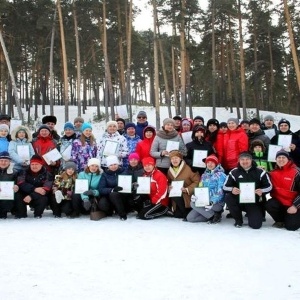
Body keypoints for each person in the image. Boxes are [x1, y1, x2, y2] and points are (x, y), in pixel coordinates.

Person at [223, 151, 272, 229]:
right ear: (239, 160)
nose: (245, 161)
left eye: (247, 159)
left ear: (251, 160)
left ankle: (256, 214)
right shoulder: (234, 172)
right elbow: (225, 186)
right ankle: (238, 220)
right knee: (229, 197)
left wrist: (262, 190)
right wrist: (232, 189)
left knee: (256, 225)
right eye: (242, 159)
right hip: (239, 200)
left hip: (254, 202)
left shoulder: (260, 172)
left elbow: (269, 186)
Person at [266, 150, 300, 231]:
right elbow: (263, 180)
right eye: (279, 157)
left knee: (292, 227)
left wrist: (295, 206)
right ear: (276, 159)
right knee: (269, 204)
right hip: (280, 203)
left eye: (283, 157)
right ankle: (280, 220)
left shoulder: (296, 172)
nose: (281, 159)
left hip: (293, 204)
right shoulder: (272, 173)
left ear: (288, 159)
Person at [187, 154, 226, 223]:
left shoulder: (221, 175)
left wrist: (212, 201)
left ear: (216, 164)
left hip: (216, 203)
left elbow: (220, 192)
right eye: (208, 162)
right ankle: (212, 216)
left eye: (212, 162)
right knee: (190, 218)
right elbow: (200, 188)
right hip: (204, 202)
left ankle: (215, 214)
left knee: (192, 204)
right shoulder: (204, 175)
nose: (210, 164)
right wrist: (195, 196)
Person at [167, 150, 199, 219]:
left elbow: (197, 181)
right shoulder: (170, 170)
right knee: (177, 215)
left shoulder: (189, 168)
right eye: (172, 158)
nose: (174, 160)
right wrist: (169, 186)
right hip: (176, 197)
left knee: (184, 215)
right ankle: (183, 211)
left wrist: (187, 189)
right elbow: (168, 181)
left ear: (181, 159)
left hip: (187, 195)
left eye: (176, 158)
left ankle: (187, 211)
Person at [98, 155, 129, 220]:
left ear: (118, 164)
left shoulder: (124, 171)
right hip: (109, 195)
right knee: (103, 203)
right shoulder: (105, 174)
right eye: (111, 165)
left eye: (115, 164)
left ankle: (122, 214)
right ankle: (110, 211)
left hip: (123, 195)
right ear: (108, 166)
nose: (113, 166)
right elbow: (101, 189)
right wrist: (112, 189)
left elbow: (129, 182)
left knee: (115, 195)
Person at [0, 152, 21, 219]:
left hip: (9, 195)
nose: (3, 163)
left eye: (6, 161)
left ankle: (15, 210)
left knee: (18, 195)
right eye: (1, 161)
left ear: (10, 161)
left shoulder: (15, 172)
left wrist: (17, 186)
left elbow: (19, 182)